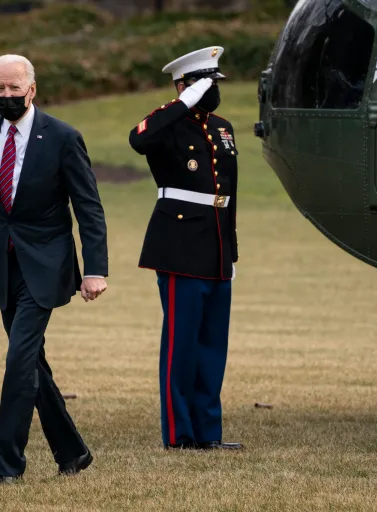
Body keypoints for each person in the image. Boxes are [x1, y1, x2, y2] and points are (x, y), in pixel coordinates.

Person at [0, 54, 109, 484]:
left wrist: (95, 269)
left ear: (32, 89)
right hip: (4, 264)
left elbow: (88, 208)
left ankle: (7, 467)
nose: (7, 95)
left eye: (14, 88)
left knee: (18, 360)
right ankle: (72, 453)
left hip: (48, 263)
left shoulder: (62, 137)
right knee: (32, 363)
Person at [128, 47, 242, 450]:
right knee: (182, 345)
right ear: (184, 85)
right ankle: (180, 435)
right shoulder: (167, 123)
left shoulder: (223, 127)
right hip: (179, 245)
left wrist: (230, 249)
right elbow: (138, 140)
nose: (213, 91)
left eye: (216, 83)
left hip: (215, 246)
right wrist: (182, 103)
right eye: (204, 84)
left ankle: (209, 434)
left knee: (213, 347)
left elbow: (229, 191)